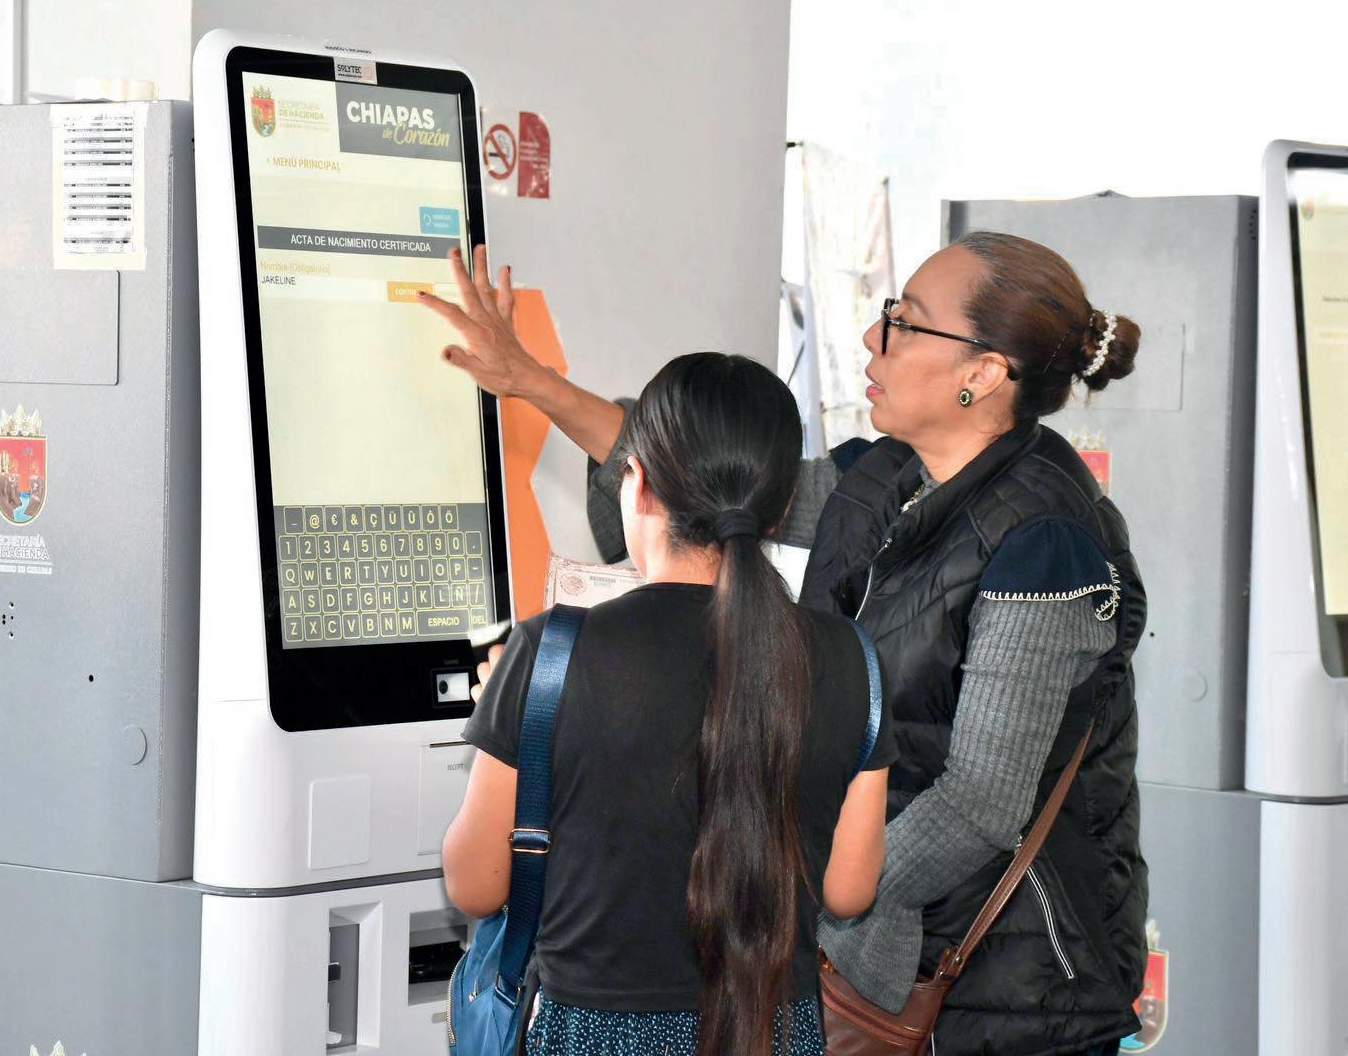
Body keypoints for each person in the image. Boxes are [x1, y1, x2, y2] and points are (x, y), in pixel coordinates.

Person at [424, 236, 1148, 1056]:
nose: (872, 339)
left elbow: (981, 803)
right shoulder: (886, 478)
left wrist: (792, 890)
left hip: (1008, 989)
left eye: (906, 323)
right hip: (865, 947)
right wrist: (533, 382)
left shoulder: (1046, 542)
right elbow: (717, 483)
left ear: (981, 373)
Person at [440, 350, 895, 1056]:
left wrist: (511, 712)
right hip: (774, 1030)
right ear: (779, 511)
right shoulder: (849, 658)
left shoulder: (549, 654)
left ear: (641, 484)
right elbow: (849, 891)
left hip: (592, 1033)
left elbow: (475, 885)